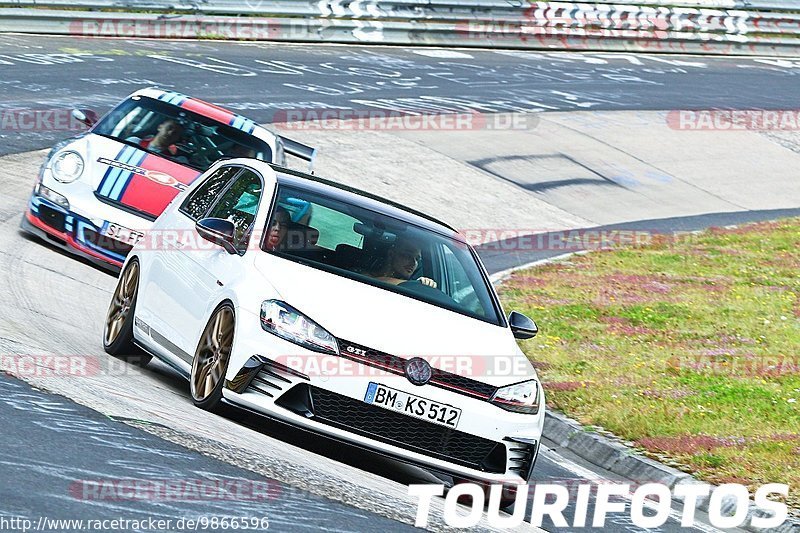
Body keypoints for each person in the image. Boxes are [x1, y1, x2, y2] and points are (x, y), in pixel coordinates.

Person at [370, 239, 437, 288]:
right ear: (391, 254)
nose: (414, 263)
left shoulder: (411, 285)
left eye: (417, 259)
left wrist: (425, 283)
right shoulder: (365, 277)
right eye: (408, 256)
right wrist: (415, 285)